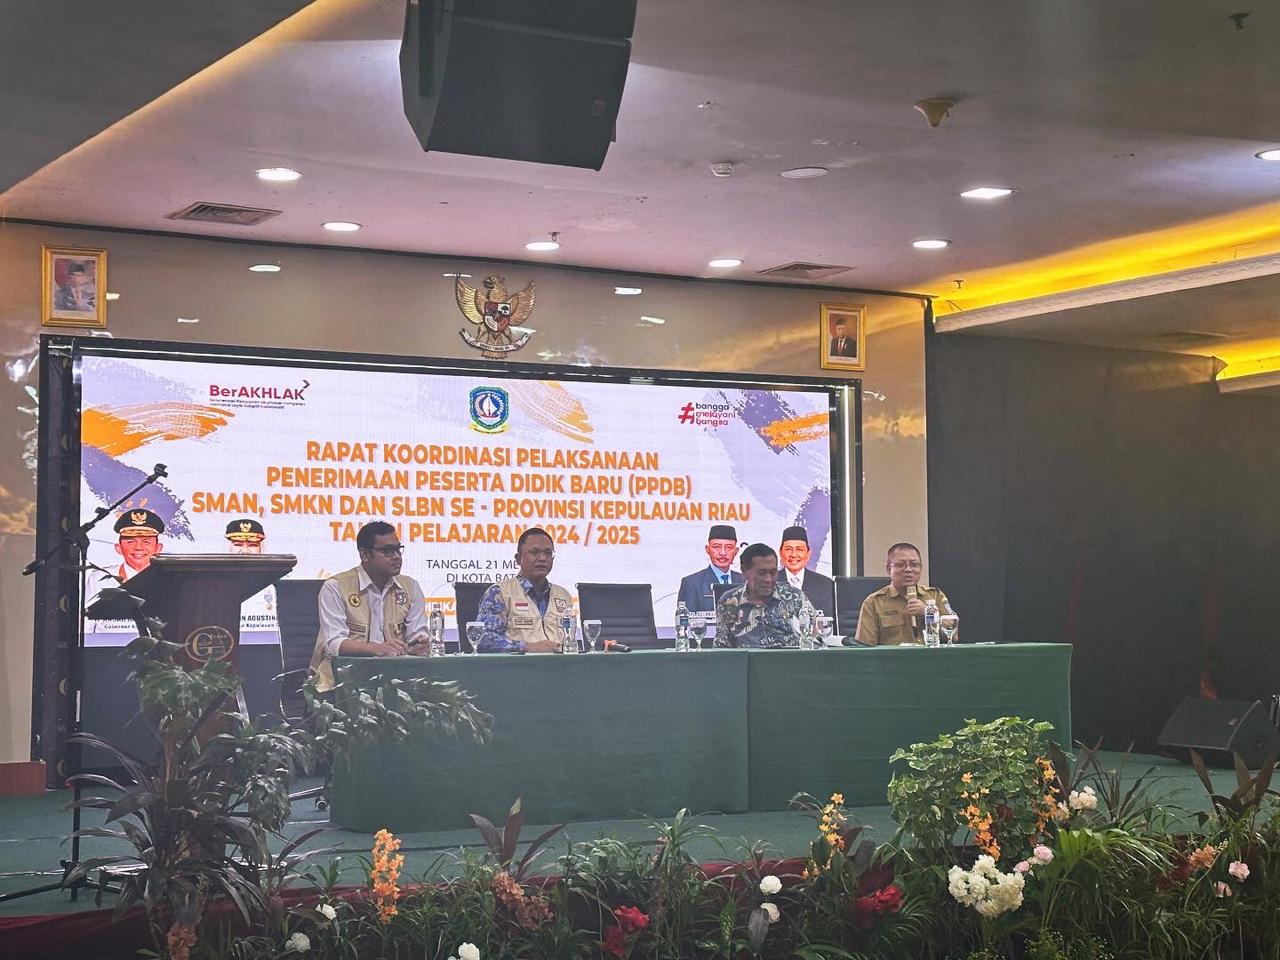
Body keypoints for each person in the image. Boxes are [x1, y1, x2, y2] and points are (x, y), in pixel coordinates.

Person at [308, 521, 430, 692]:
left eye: (398, 549)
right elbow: (334, 644)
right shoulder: (335, 587)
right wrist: (377, 649)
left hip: (393, 680)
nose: (397, 556)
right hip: (340, 682)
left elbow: (416, 633)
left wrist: (418, 644)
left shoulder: (411, 587)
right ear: (365, 554)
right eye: (388, 551)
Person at [476, 527, 574, 653]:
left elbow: (570, 642)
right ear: (518, 559)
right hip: (518, 665)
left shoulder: (564, 596)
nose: (543, 558)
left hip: (560, 664)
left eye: (548, 553)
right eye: (534, 552)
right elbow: (483, 641)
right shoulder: (500, 594)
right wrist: (527, 647)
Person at [714, 542, 817, 648]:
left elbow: (818, 638)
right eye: (761, 573)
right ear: (744, 571)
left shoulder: (794, 597)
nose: (768, 579)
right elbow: (721, 649)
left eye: (773, 572)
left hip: (790, 657)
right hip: (747, 658)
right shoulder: (729, 602)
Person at [855, 542, 955, 645]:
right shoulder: (874, 602)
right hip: (894, 655)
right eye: (900, 565)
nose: (908, 569)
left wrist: (928, 613)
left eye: (914, 565)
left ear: (921, 568)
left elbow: (954, 634)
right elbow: (864, 648)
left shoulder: (935, 595)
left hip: (930, 655)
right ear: (889, 570)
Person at [226, 518, 278, 638]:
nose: (245, 551)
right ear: (229, 547)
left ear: (261, 548)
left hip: (267, 639)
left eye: (253, 545)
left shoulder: (276, 578)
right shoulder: (217, 580)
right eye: (238, 545)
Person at [677, 524, 743, 613]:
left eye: (729, 547)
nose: (723, 553)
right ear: (707, 549)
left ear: (736, 551)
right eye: (717, 547)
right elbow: (685, 619)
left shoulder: (747, 582)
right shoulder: (692, 583)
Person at [778, 525, 835, 616]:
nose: (793, 555)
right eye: (788, 549)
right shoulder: (768, 584)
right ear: (780, 553)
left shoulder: (825, 585)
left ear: (808, 554)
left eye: (799, 549)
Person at [113, 508, 165, 581]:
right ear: (119, 548)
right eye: (131, 542)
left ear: (158, 548)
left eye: (146, 542)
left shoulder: (172, 578)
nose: (138, 547)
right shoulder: (101, 579)